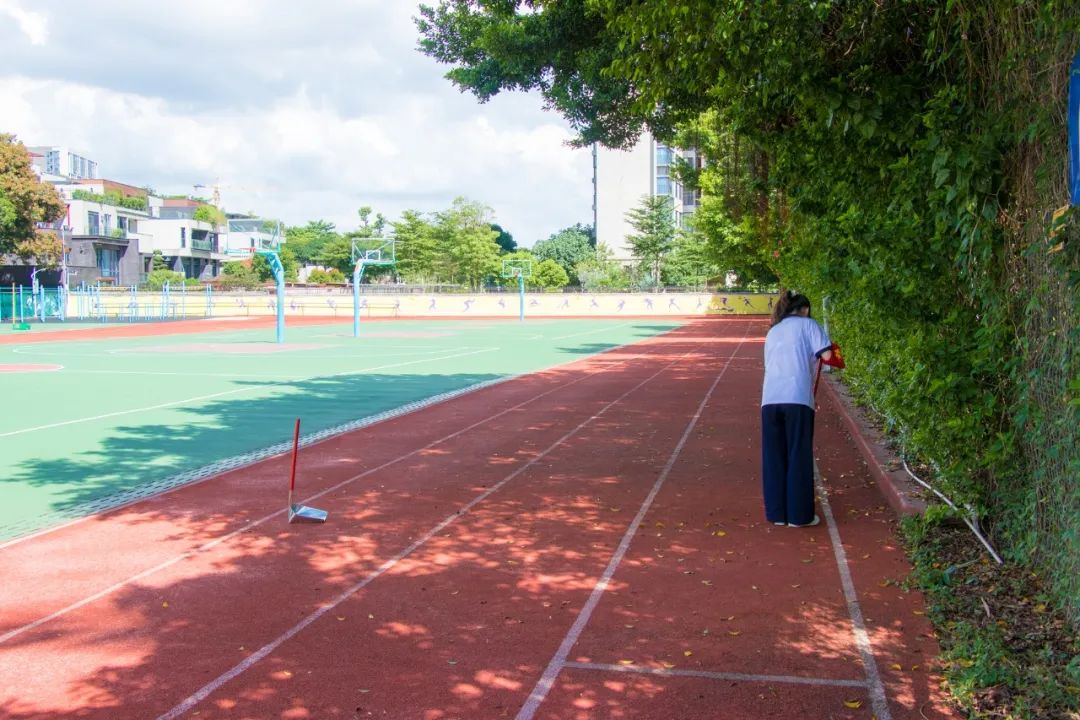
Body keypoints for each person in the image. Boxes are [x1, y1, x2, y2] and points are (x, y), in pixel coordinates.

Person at [760, 290, 843, 528]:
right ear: (805, 309)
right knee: (798, 454)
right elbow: (828, 355)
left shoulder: (773, 331)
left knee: (774, 456)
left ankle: (777, 513)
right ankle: (799, 516)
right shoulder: (809, 325)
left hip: (770, 399)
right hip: (797, 398)